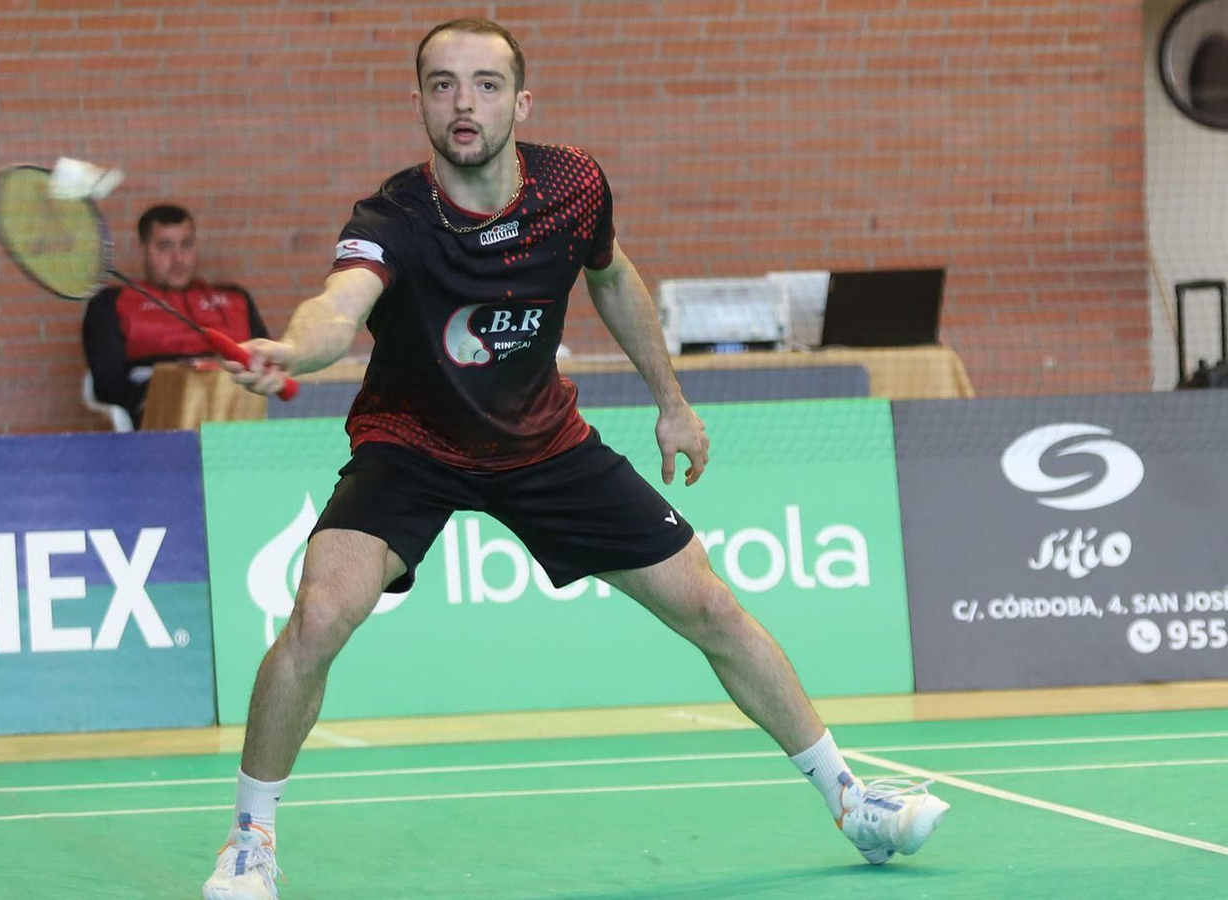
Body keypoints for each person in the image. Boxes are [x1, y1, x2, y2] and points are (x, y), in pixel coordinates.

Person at [205, 18, 948, 899]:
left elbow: (611, 277)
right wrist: (293, 348)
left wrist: (672, 403)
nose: (463, 102)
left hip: (543, 442)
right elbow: (339, 306)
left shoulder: (573, 186)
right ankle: (251, 840)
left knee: (709, 604)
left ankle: (851, 800)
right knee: (321, 615)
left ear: (521, 101)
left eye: (484, 84)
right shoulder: (395, 215)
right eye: (442, 85)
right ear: (418, 104)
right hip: (412, 443)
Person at [81, 204, 268, 425]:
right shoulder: (112, 303)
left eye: (186, 245)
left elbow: (267, 363)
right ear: (142, 250)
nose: (178, 258)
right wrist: (180, 381)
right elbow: (108, 385)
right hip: (163, 409)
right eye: (164, 247)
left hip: (237, 400)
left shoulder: (235, 298)